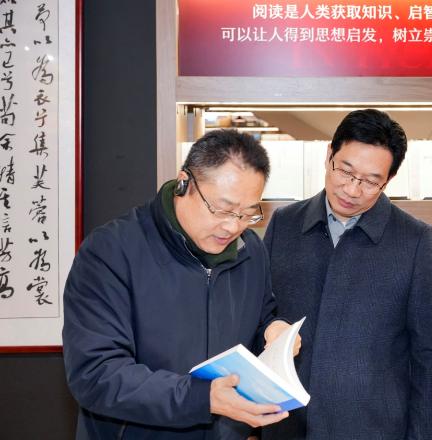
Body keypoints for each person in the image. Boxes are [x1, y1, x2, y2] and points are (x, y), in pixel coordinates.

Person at [63, 129, 298, 439]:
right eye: (222, 209)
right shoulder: (112, 251)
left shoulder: (250, 251)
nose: (232, 226)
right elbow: (96, 374)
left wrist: (273, 331)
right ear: (184, 183)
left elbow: (258, 318)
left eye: (247, 214)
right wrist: (201, 398)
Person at [262, 109, 432, 440]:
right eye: (345, 171)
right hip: (286, 425)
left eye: (371, 181)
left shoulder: (415, 241)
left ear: (389, 180)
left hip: (374, 429)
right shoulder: (285, 224)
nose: (351, 190)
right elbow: (261, 311)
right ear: (328, 156)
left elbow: (431, 358)